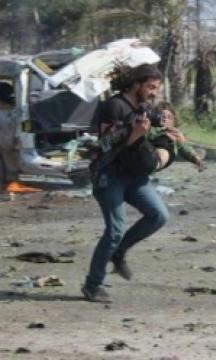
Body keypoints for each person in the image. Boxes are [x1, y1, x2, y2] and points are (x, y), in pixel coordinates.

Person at [82, 64, 187, 302]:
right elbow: (105, 143)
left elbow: (151, 136)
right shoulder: (113, 106)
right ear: (136, 84)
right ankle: (92, 285)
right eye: (150, 87)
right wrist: (134, 135)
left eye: (156, 89)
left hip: (135, 177)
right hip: (110, 175)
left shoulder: (145, 109)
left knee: (158, 215)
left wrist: (172, 136)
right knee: (115, 229)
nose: (153, 93)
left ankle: (119, 252)